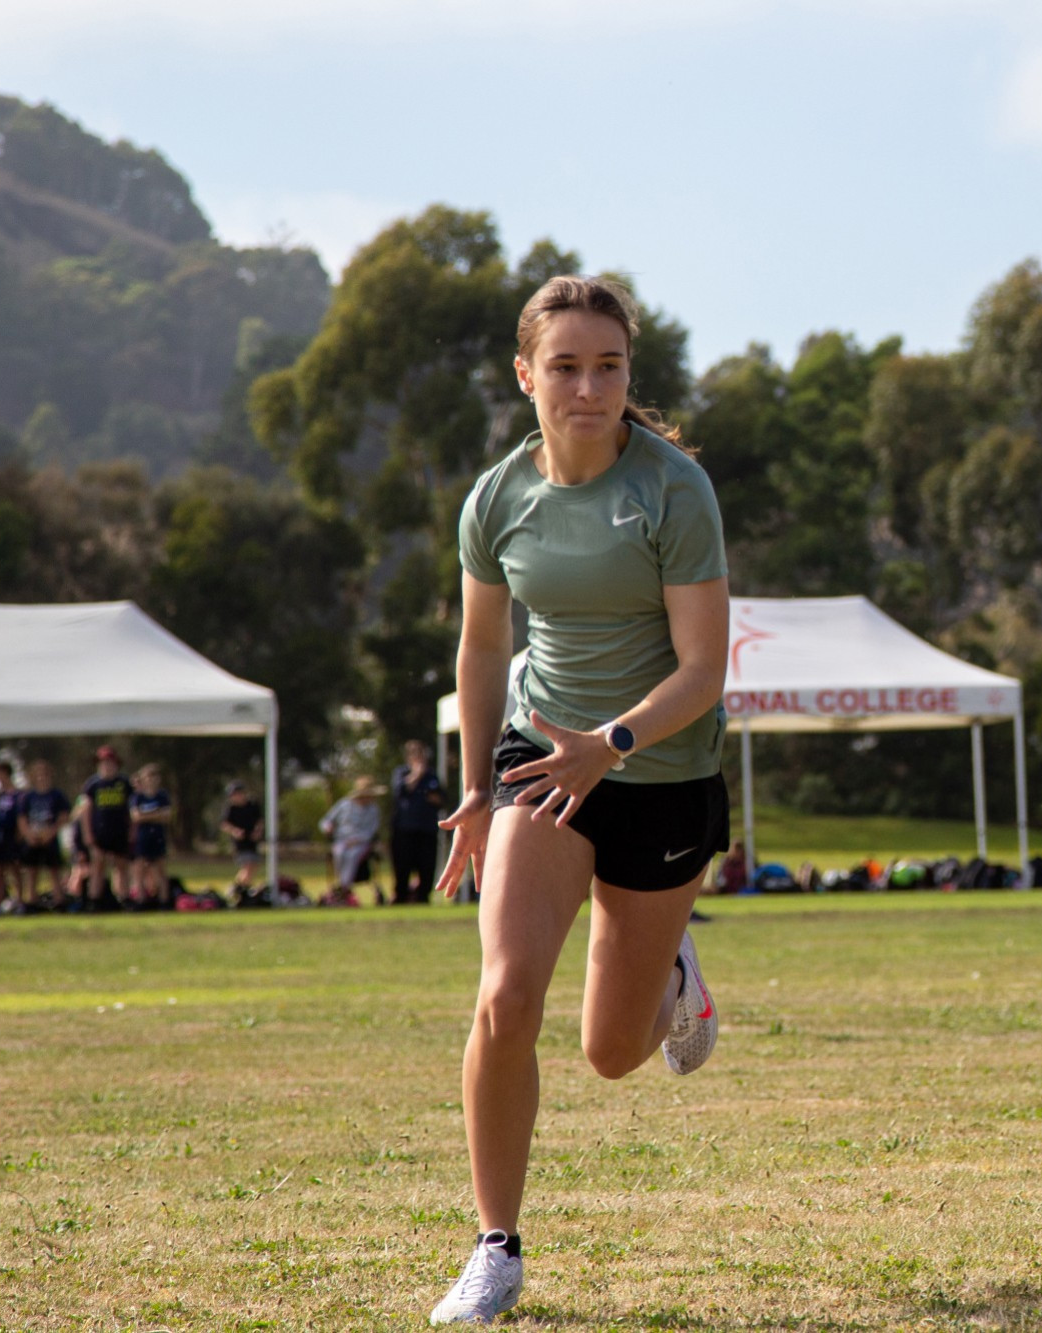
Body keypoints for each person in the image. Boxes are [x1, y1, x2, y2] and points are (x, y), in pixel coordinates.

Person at [430, 275, 731, 1324]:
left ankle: (673, 968)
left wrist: (609, 744)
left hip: (660, 774)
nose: (587, 386)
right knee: (507, 997)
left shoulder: (673, 489)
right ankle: (494, 1248)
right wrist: (474, 789)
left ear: (627, 377)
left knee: (609, 1053)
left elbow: (703, 670)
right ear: (526, 376)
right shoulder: (496, 499)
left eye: (607, 367)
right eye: (564, 366)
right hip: (540, 763)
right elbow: (481, 647)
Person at [391, 740, 447, 905]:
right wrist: (416, 775)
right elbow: (400, 792)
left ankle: (423, 897)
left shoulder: (432, 776)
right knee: (403, 865)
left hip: (427, 828)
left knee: (426, 865)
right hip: (405, 828)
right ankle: (401, 896)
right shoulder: (401, 773)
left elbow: (441, 798)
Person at [81, 745, 133, 908]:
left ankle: (123, 899)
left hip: (119, 831)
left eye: (110, 763)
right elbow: (86, 811)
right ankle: (94, 901)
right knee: (97, 866)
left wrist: (132, 830)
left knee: (121, 866)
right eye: (103, 763)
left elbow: (131, 810)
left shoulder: (124, 783)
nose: (107, 766)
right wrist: (88, 835)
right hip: (99, 833)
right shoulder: (93, 784)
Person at [319, 776, 384, 906]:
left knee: (352, 855)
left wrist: (357, 840)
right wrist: (328, 828)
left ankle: (344, 888)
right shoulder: (343, 805)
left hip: (361, 843)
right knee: (340, 853)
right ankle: (342, 886)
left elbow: (371, 831)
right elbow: (325, 821)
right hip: (342, 840)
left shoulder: (373, 810)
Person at [17, 759, 70, 913]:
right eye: (38, 774)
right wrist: (29, 835)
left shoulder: (57, 795)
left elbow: (64, 816)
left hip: (50, 838)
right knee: (32, 871)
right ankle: (32, 902)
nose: (41, 777)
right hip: (32, 839)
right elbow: (22, 819)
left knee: (54, 870)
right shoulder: (28, 797)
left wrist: (51, 832)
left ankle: (59, 901)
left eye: (44, 774)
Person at [128, 763, 173, 908]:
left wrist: (146, 815)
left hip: (158, 837)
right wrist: (157, 814)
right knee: (139, 869)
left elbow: (167, 815)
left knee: (160, 870)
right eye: (148, 777)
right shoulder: (138, 797)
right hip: (142, 837)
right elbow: (136, 816)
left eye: (154, 777)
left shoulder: (162, 796)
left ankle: (164, 901)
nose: (151, 780)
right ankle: (141, 901)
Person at [0, 760, 23, 911]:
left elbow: (20, 816)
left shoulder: (18, 795)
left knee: (15, 869)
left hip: (12, 836)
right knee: (0, 871)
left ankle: (20, 900)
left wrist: (19, 835)